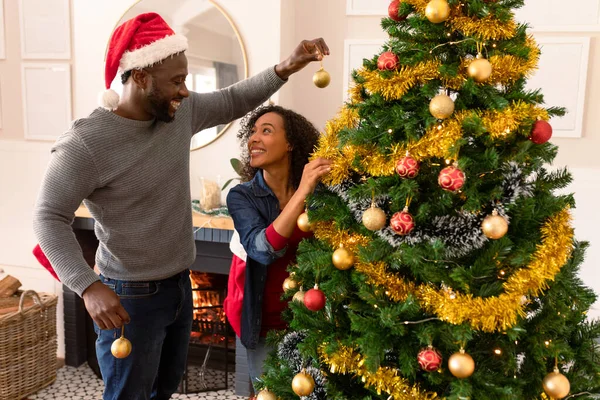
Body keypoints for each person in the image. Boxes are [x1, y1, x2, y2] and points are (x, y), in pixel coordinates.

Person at [32, 12, 329, 400]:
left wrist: (287, 66)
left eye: (185, 79)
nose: (185, 91)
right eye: (176, 81)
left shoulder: (178, 113)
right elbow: (47, 217)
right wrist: (87, 286)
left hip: (179, 286)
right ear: (140, 77)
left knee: (164, 391)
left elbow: (232, 99)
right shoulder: (86, 143)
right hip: (128, 298)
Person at [223, 105, 332, 390]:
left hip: (313, 318)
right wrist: (302, 192)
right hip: (264, 324)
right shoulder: (241, 196)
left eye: (266, 131)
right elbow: (262, 249)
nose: (253, 138)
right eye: (253, 132)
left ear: (290, 144)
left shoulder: (320, 193)